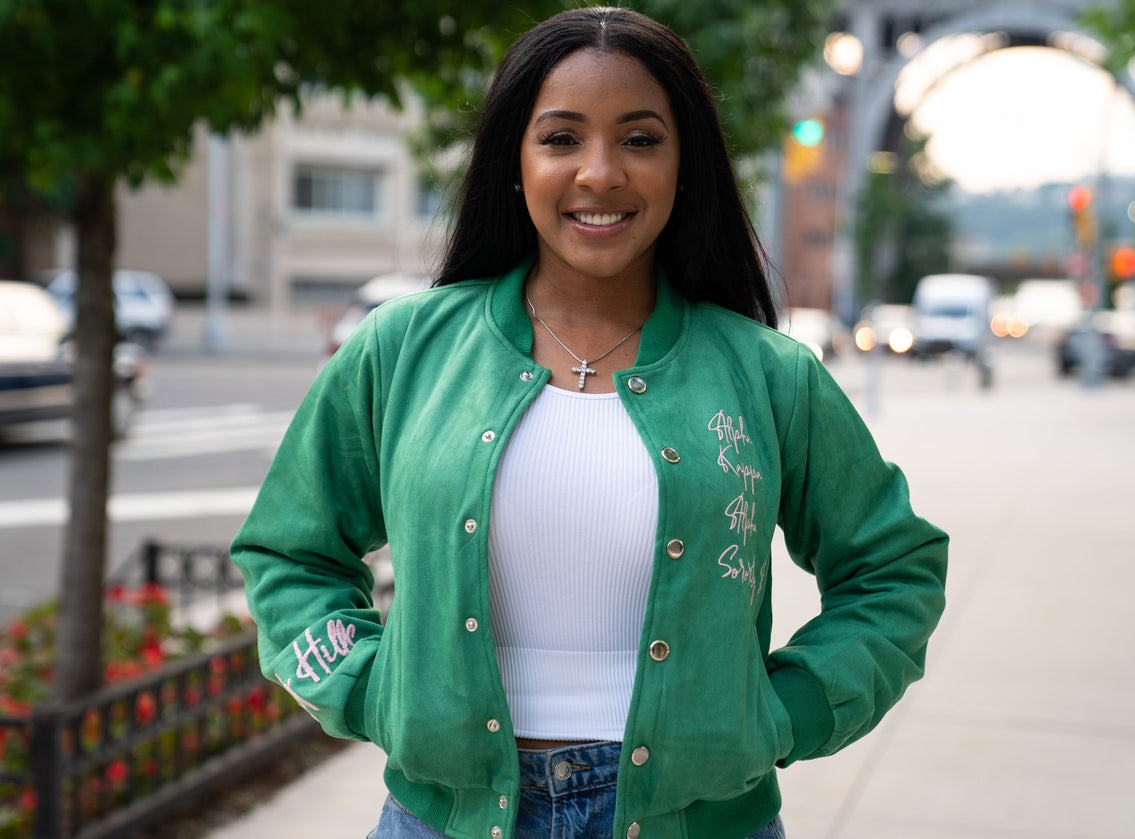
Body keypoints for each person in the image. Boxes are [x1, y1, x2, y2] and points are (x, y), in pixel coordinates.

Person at [230, 7, 948, 839]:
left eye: (640, 140)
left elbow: (894, 569)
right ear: (515, 161)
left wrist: (787, 709)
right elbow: (289, 550)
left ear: (686, 167)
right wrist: (363, 684)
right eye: (562, 138)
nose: (600, 173)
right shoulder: (404, 349)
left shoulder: (767, 375)